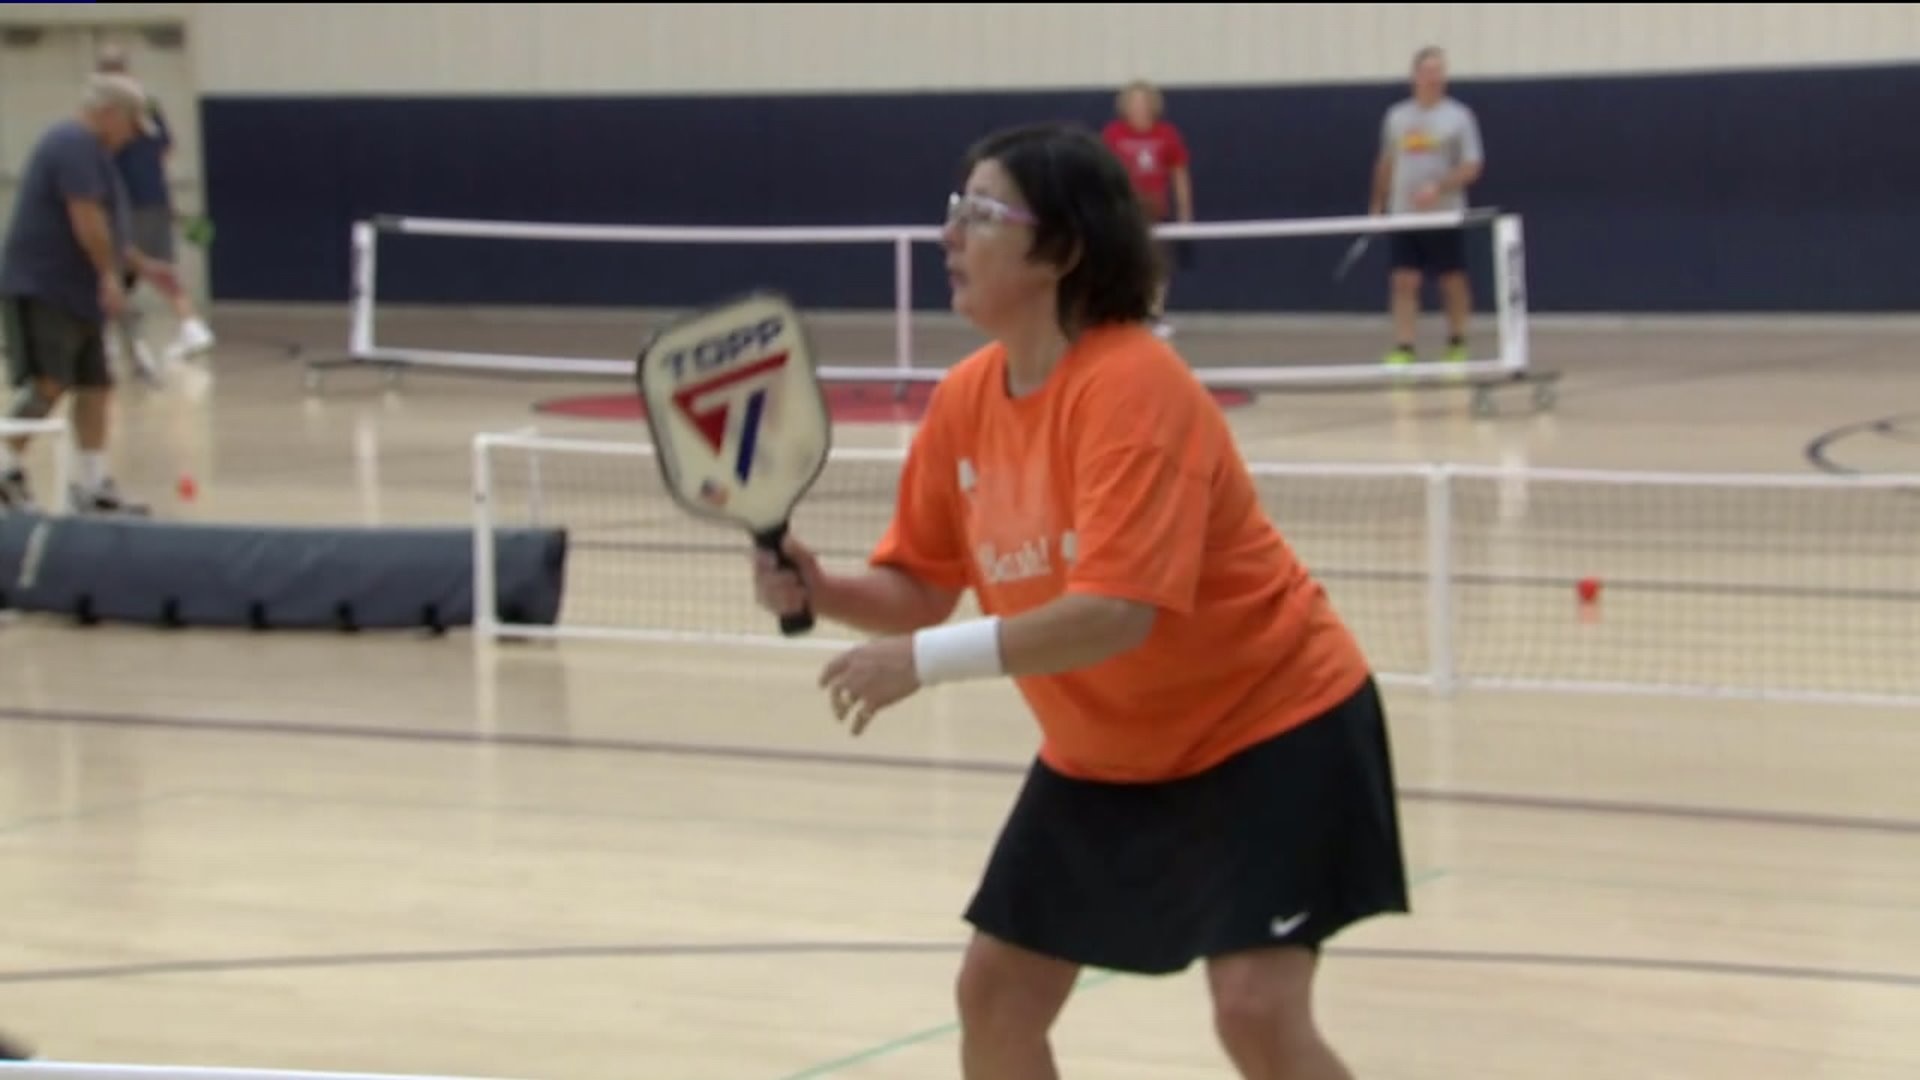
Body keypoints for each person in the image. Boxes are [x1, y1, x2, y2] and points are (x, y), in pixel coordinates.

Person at [753, 123, 1409, 1079]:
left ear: (1061, 249)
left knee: (1256, 1012)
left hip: (1270, 725)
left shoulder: (1135, 388)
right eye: (954, 210)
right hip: (1109, 751)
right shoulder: (965, 401)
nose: (949, 236)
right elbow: (923, 587)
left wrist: (923, 664)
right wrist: (825, 589)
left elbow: (1115, 611)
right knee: (995, 998)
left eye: (982, 214)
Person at [0, 73, 178, 515]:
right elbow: (86, 220)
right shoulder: (72, 144)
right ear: (109, 113)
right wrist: (109, 277)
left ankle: (93, 484)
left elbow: (107, 227)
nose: (132, 137)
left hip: (77, 294)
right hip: (46, 287)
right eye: (131, 126)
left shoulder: (95, 153)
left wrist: (142, 266)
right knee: (48, 382)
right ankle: (3, 467)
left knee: (95, 385)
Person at [95, 44, 216, 378]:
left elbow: (103, 153)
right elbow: (166, 148)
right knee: (158, 268)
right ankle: (191, 327)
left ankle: (107, 340)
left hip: (128, 201)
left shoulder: (108, 110)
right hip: (155, 197)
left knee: (115, 270)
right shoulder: (150, 104)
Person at [1369, 45, 1484, 366]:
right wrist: (1377, 204)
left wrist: (1439, 187)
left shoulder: (1459, 117)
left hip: (1444, 215)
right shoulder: (1396, 117)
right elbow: (1386, 162)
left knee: (1452, 280)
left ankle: (1457, 342)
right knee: (1404, 281)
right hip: (1404, 215)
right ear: (1415, 76)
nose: (1435, 77)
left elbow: (1472, 166)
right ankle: (1404, 346)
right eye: (1429, 71)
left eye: (1440, 71)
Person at [1101, 80, 1192, 338]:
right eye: (1134, 103)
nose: (1139, 109)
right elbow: (1103, 172)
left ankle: (1154, 313)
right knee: (1122, 264)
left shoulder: (1167, 135)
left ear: (1153, 106)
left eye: (1143, 103)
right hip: (1123, 211)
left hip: (1155, 211)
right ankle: (1123, 314)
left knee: (1157, 265)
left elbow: (1179, 174)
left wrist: (1185, 213)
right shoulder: (1113, 134)